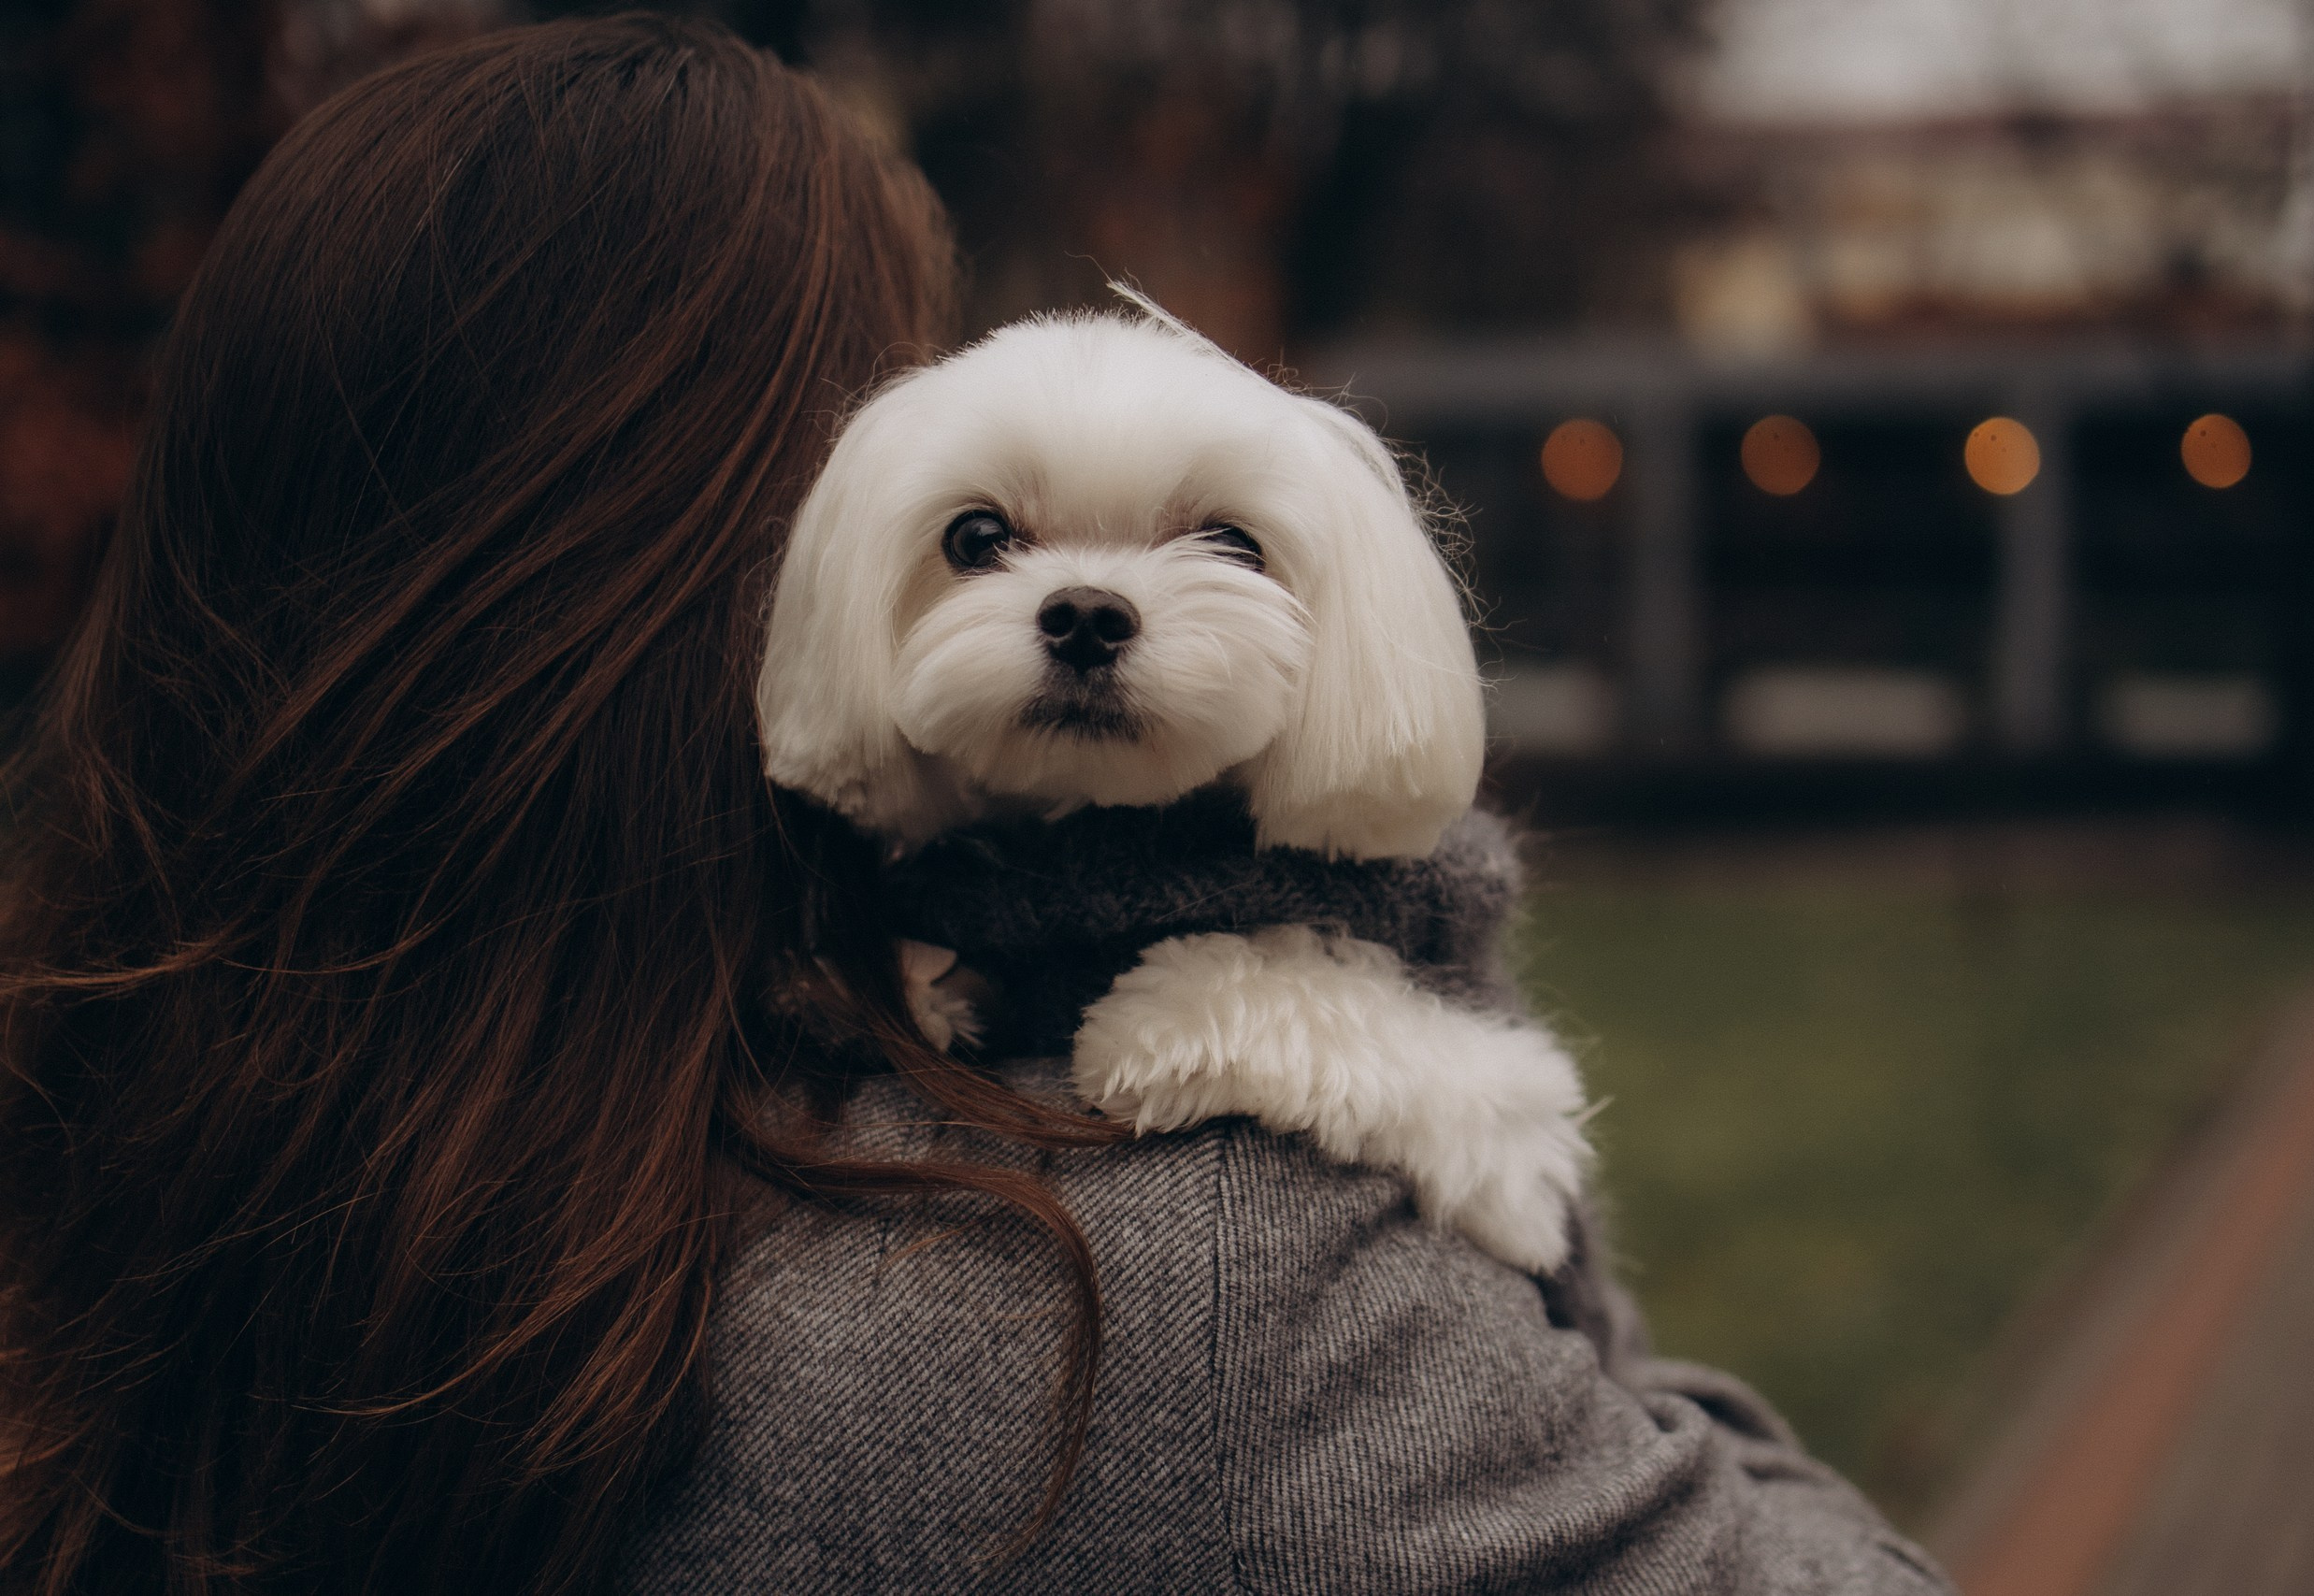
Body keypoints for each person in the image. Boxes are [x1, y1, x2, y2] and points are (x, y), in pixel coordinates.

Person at [0, 16, 1952, 1595]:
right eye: (963, 509)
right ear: (773, 587)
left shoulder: (91, 1200)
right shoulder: (1150, 1305)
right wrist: (1556, 1307)